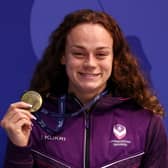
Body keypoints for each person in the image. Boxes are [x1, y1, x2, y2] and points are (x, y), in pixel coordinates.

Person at [1, 9, 168, 168]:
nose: (90, 64)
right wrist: (19, 148)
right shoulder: (33, 121)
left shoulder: (146, 122)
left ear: (114, 59)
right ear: (63, 56)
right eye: (79, 54)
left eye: (101, 54)